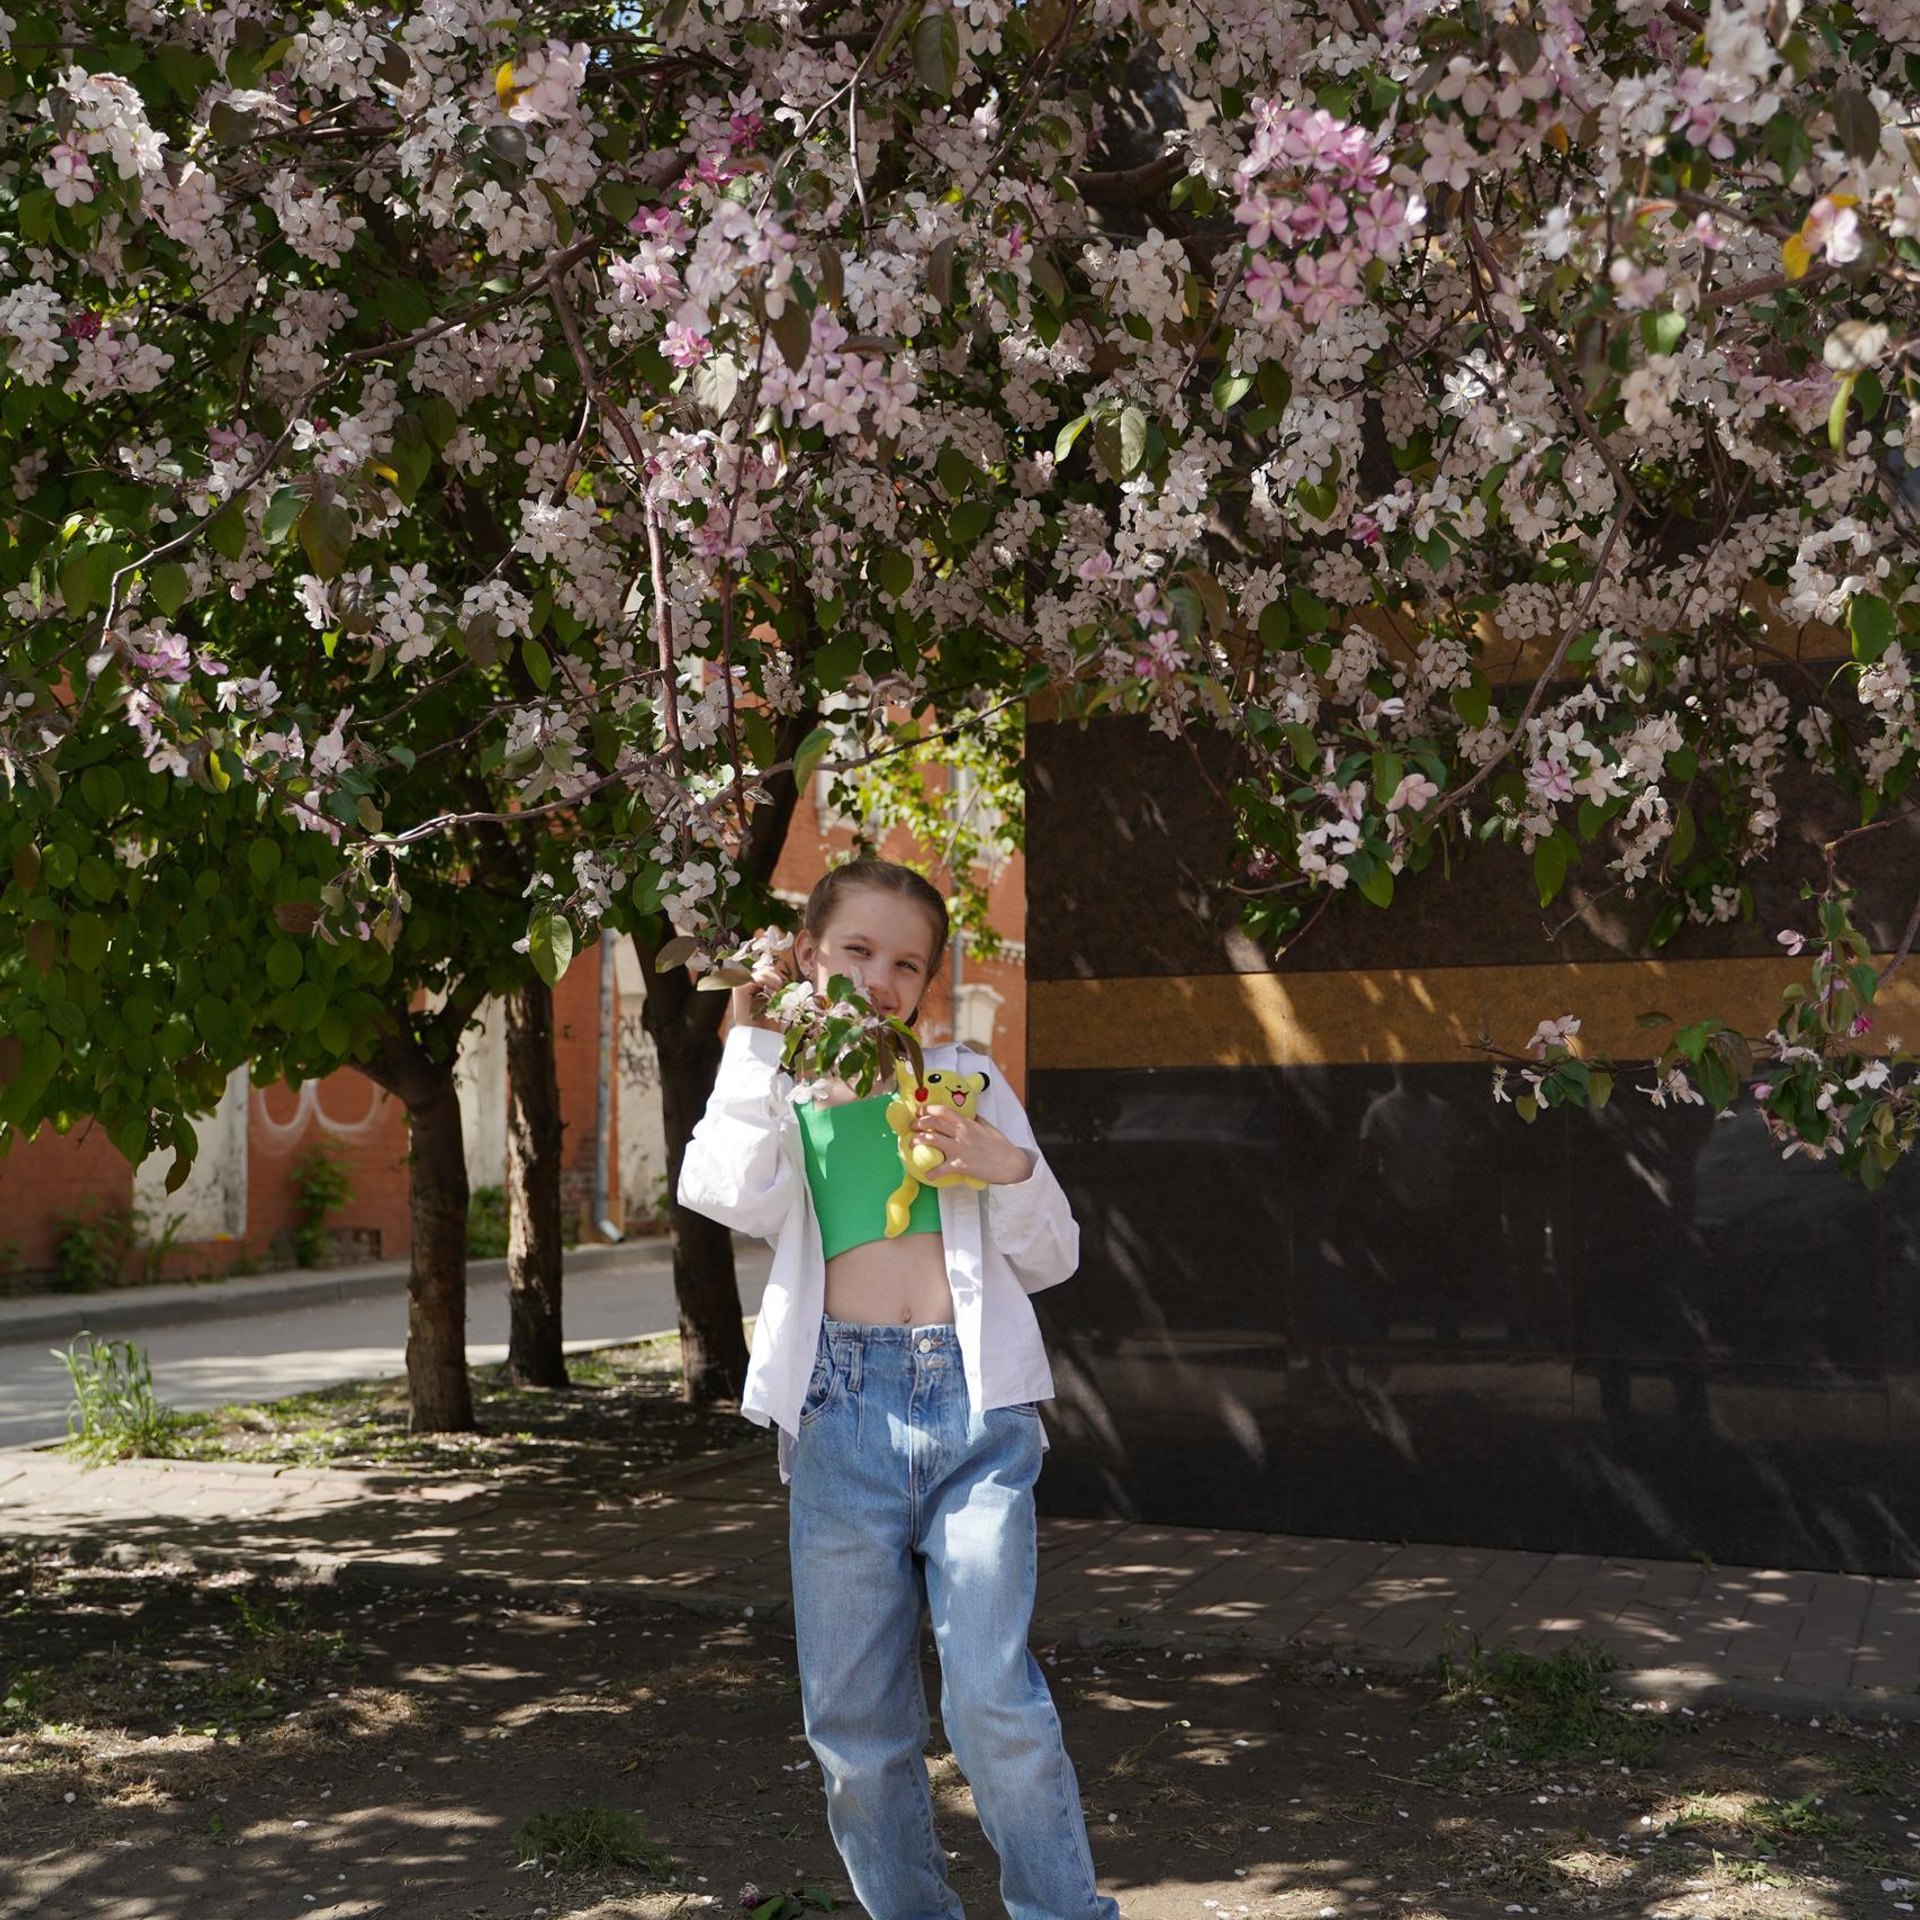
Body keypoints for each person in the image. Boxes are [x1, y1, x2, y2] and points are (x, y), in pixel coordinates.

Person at [677, 857, 1120, 1920]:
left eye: (904, 963)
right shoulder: (781, 1091)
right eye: (856, 952)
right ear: (806, 956)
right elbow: (719, 1190)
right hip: (840, 1413)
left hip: (974, 1410)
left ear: (927, 982)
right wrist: (747, 1037)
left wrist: (998, 1165)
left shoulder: (963, 1077)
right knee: (853, 1724)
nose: (878, 979)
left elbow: (1053, 1253)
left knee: (992, 1702)